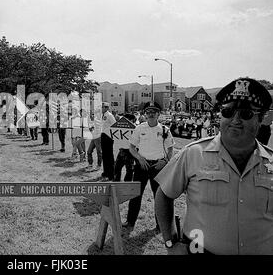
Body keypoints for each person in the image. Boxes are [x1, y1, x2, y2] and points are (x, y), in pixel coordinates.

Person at [155, 78, 273, 255]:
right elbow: (164, 194)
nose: (235, 120)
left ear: (261, 119)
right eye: (228, 112)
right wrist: (171, 243)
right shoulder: (193, 153)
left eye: (246, 114)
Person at [122, 101, 174, 230]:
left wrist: (165, 161)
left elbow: (171, 149)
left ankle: (160, 224)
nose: (151, 114)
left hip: (158, 166)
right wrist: (139, 159)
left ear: (158, 114)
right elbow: (132, 148)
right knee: (136, 195)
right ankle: (130, 222)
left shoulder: (164, 130)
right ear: (145, 114)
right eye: (148, 112)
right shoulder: (140, 128)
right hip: (142, 165)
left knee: (159, 197)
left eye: (154, 112)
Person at [114, 113, 136, 182]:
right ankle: (116, 183)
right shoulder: (122, 127)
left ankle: (127, 185)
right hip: (122, 150)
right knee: (117, 168)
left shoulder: (135, 128)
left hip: (130, 151)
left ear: (131, 120)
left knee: (129, 170)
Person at [100, 102, 116, 181]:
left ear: (106, 108)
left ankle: (111, 174)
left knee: (109, 156)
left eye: (102, 107)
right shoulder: (103, 115)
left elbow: (114, 125)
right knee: (105, 155)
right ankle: (105, 172)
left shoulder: (109, 115)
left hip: (108, 137)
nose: (101, 108)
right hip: (103, 135)